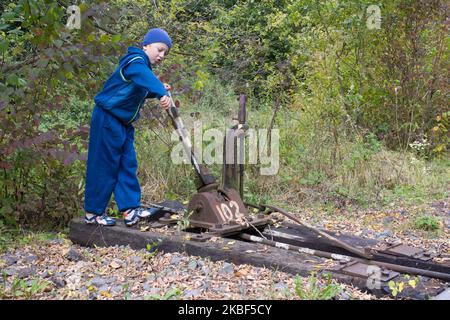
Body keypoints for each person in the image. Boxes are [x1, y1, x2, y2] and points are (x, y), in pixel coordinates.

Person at [84, 28, 173, 227]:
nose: (161, 55)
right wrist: (159, 91)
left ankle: (130, 210)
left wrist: (156, 90)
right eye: (159, 49)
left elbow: (137, 89)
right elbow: (140, 74)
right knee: (104, 165)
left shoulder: (144, 71)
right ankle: (93, 213)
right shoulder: (134, 60)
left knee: (127, 164)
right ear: (146, 46)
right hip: (107, 118)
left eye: (165, 53)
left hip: (123, 124)